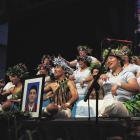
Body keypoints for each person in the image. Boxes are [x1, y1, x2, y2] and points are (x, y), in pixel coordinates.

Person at [98, 49, 140, 117]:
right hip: (106, 102)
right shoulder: (106, 75)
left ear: (119, 60)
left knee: (113, 105)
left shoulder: (127, 74)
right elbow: (99, 92)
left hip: (123, 105)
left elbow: (136, 88)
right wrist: (99, 79)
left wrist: (119, 84)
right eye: (106, 60)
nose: (108, 61)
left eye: (111, 58)